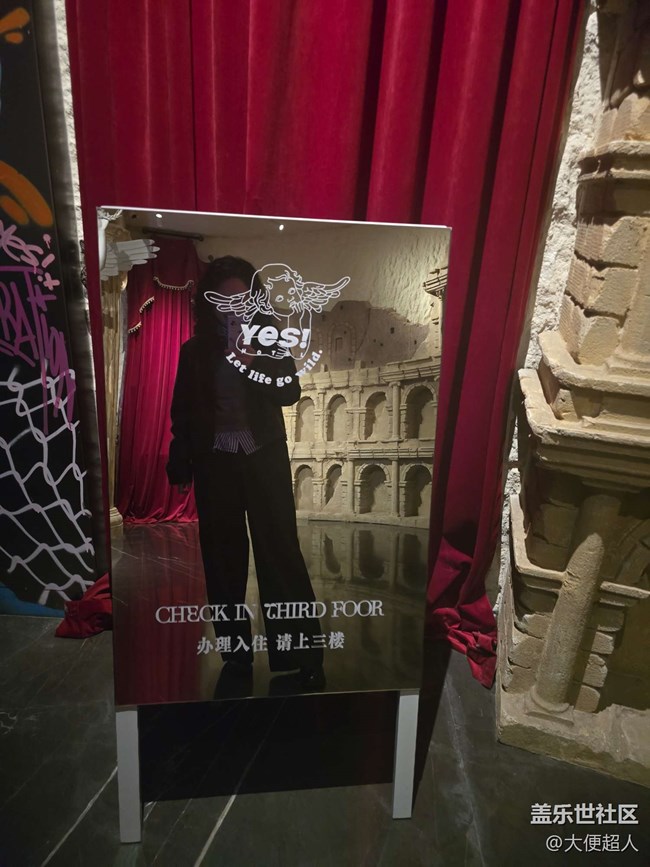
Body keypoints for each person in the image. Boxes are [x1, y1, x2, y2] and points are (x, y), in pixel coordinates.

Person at [166, 256, 324, 688]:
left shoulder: (271, 340)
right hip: (215, 464)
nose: (234, 308)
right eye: (225, 300)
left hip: (264, 460)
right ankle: (235, 656)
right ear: (210, 303)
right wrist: (180, 458)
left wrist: (251, 359)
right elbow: (183, 412)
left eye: (242, 299)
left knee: (281, 553)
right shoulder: (194, 351)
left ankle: (302, 654)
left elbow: (289, 392)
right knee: (222, 560)